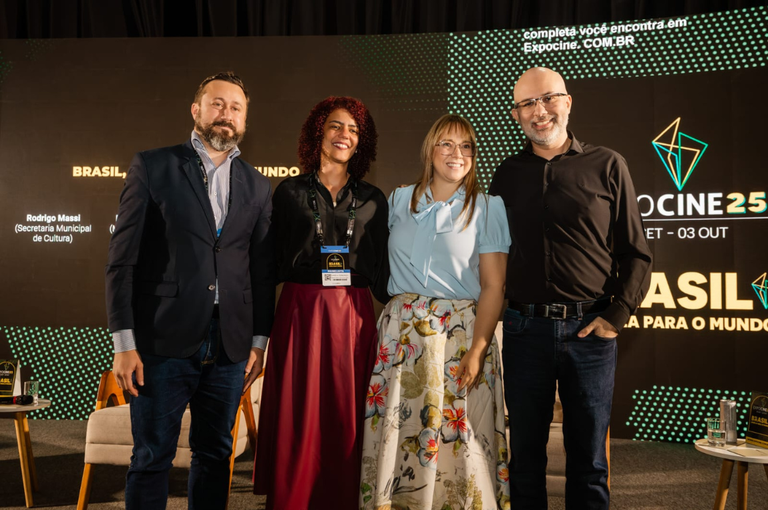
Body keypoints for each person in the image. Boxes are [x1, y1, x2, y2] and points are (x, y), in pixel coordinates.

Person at [105, 72, 275, 510]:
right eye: (217, 104)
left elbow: (259, 270)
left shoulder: (257, 185)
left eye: (236, 108)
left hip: (230, 346)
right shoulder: (153, 166)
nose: (227, 115)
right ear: (196, 110)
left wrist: (258, 339)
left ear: (245, 121)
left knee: (216, 456)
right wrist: (124, 344)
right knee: (151, 456)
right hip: (161, 342)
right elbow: (122, 261)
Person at [489, 67, 652, 509]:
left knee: (589, 463)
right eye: (527, 104)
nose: (539, 111)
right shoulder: (505, 176)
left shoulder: (608, 164)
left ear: (567, 101)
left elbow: (636, 253)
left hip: (590, 333)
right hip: (523, 333)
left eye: (548, 99)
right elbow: (492, 256)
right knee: (524, 461)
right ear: (515, 113)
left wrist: (614, 318)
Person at [359, 114, 511, 510]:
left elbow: (494, 286)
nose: (455, 154)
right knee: (402, 437)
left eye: (466, 146)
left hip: (459, 340)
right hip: (401, 341)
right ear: (430, 149)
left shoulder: (488, 207)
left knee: (459, 446)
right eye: (446, 143)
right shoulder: (398, 200)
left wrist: (478, 349)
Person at [253, 96, 389, 510]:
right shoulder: (288, 191)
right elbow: (266, 266)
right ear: (319, 132)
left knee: (347, 415)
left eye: (352, 129)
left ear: (360, 141)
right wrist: (256, 336)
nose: (343, 135)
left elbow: (384, 269)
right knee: (300, 415)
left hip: (354, 314)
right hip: (300, 312)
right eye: (335, 126)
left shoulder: (373, 198)